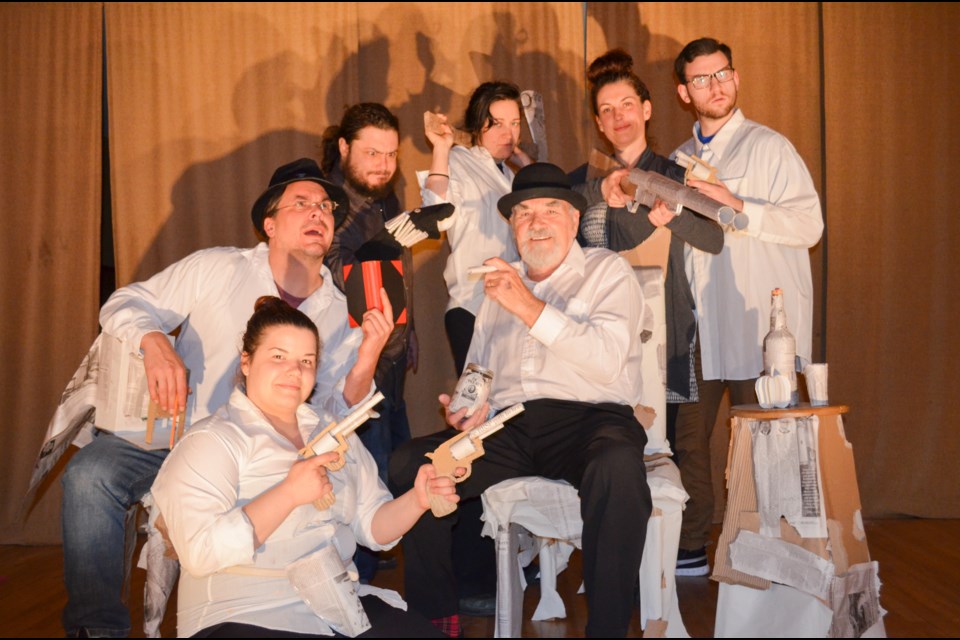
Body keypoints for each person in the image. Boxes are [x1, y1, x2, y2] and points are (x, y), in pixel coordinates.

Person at [60, 158, 394, 637]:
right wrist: (154, 343)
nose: (318, 212)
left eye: (325, 206)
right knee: (89, 476)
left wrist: (365, 362)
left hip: (260, 456)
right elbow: (125, 303)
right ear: (270, 224)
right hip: (171, 437)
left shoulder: (339, 311)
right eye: (301, 203)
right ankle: (97, 631)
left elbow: (330, 416)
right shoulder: (217, 267)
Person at [390, 163, 652, 638]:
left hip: (592, 421)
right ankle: (433, 623)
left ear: (574, 220)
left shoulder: (606, 272)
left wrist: (527, 306)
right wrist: (465, 409)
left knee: (617, 463)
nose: (536, 221)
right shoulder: (499, 286)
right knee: (415, 462)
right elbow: (479, 370)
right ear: (512, 227)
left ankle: (608, 630)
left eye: (551, 209)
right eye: (524, 213)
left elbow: (607, 362)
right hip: (506, 426)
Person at [151, 297, 450, 638]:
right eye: (278, 357)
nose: (295, 371)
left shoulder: (333, 431)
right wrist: (289, 494)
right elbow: (199, 552)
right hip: (243, 613)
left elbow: (372, 524)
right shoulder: (213, 439)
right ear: (246, 361)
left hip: (337, 606)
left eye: (306, 361)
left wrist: (418, 499)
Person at [671, 37, 823, 576]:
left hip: (763, 327)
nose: (715, 86)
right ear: (683, 92)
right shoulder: (677, 160)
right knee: (687, 438)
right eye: (701, 80)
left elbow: (810, 226)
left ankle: (767, 546)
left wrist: (737, 203)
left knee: (767, 441)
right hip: (697, 326)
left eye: (722, 74)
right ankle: (691, 543)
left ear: (735, 77)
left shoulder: (769, 147)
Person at [571, 48, 723, 459]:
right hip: (598, 334)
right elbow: (547, 217)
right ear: (600, 123)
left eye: (627, 105)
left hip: (665, 331)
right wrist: (597, 192)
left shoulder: (674, 176)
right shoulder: (581, 181)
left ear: (647, 109)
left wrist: (671, 217)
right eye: (607, 110)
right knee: (607, 449)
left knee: (672, 452)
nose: (619, 116)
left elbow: (715, 240)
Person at [320, 103, 412, 582]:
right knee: (362, 481)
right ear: (343, 148)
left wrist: (407, 334)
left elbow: (397, 275)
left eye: (391, 154)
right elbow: (332, 266)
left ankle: (366, 584)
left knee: (389, 477)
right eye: (371, 152)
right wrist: (377, 246)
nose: (382, 163)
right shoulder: (328, 203)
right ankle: (352, 594)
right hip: (355, 366)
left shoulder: (384, 195)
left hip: (390, 361)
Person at [421, 81, 533, 375]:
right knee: (476, 406)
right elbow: (436, 214)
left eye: (515, 123)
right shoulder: (460, 160)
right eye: (495, 124)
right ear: (477, 125)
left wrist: (527, 165)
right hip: (472, 305)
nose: (508, 133)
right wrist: (442, 150)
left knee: (509, 403)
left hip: (512, 307)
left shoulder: (510, 174)